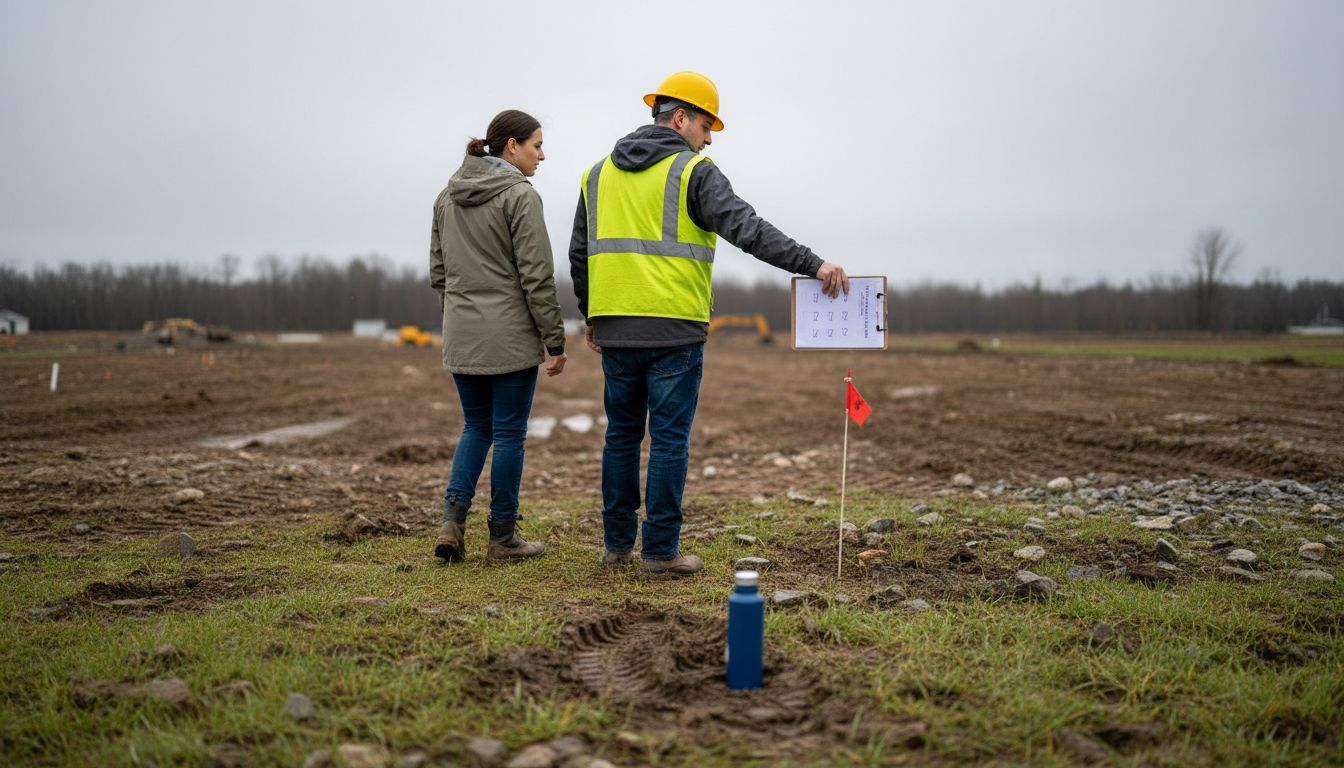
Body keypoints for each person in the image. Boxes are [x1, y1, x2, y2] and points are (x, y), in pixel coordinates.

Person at [570, 72, 850, 577]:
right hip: (675, 329)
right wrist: (812, 263)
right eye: (705, 123)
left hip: (615, 328)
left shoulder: (596, 174)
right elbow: (748, 228)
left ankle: (616, 549)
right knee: (670, 441)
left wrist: (592, 314)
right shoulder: (693, 171)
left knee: (621, 437)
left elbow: (580, 253)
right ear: (679, 117)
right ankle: (659, 553)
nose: (710, 136)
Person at [430, 109, 566, 563]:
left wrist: (460, 322)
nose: (542, 155)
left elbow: (439, 274)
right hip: (508, 339)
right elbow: (537, 275)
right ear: (512, 146)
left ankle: (452, 522)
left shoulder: (446, 197)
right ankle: (503, 537)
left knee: (475, 427)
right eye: (537, 145)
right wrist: (555, 338)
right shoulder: (520, 196)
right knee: (508, 434)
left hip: (461, 336)